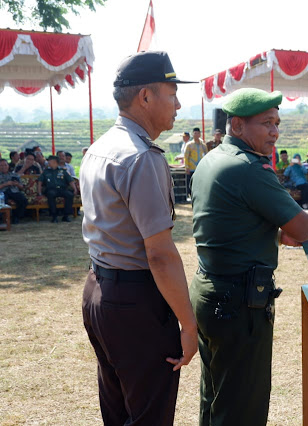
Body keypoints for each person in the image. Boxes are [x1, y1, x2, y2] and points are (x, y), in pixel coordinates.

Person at [189, 87, 308, 426]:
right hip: (238, 301)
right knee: (242, 406)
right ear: (237, 126)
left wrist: (275, 234)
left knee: (216, 397)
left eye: (277, 123)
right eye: (266, 123)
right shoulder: (248, 168)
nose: (275, 132)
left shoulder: (212, 160)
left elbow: (230, 222)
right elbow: (304, 226)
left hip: (210, 292)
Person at [79, 51, 198, 425]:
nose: (178, 104)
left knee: (117, 409)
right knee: (149, 415)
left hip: (99, 289)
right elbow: (160, 255)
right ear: (145, 97)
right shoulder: (142, 158)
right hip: (135, 302)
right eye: (171, 93)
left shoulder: (100, 147)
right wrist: (189, 324)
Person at [38, 155, 76, 222]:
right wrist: (39, 192)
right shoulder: (46, 171)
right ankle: (54, 216)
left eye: (50, 161)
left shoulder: (63, 171)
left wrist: (75, 189)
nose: (48, 162)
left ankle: (66, 216)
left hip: (62, 189)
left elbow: (70, 180)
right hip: (50, 189)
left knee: (69, 195)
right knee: (51, 194)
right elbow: (40, 182)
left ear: (54, 162)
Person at [0, 158, 27, 223]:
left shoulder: (14, 175)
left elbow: (22, 187)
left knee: (23, 200)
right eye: (1, 165)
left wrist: (17, 184)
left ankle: (16, 217)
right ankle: (3, 219)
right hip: (2, 192)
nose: (4, 167)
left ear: (8, 166)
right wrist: (6, 184)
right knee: (2, 202)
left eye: (5, 165)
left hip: (14, 191)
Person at [184, 127, 209, 193]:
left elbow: (206, 156)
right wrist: (187, 167)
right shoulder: (189, 145)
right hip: (192, 167)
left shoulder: (203, 145)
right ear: (192, 134)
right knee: (192, 183)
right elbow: (186, 157)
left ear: (200, 134)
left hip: (201, 168)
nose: (196, 135)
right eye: (195, 133)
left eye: (198, 133)